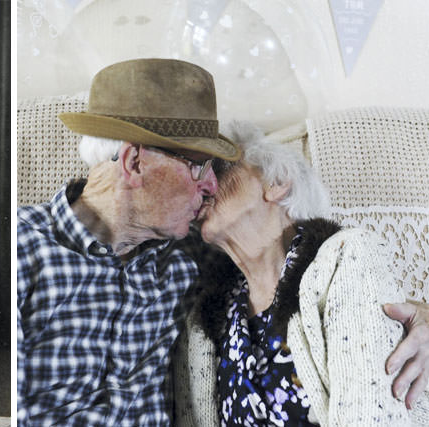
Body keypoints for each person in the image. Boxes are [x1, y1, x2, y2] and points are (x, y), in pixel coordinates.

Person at [17, 58, 429, 426]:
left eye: (220, 168)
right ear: (135, 162)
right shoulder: (25, 250)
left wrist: (423, 315)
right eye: (198, 167)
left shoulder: (194, 256)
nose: (209, 185)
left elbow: (360, 306)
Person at [173, 121, 429, 426]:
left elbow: (372, 416)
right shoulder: (204, 319)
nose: (205, 185)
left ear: (277, 182)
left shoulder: (347, 258)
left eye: (220, 168)